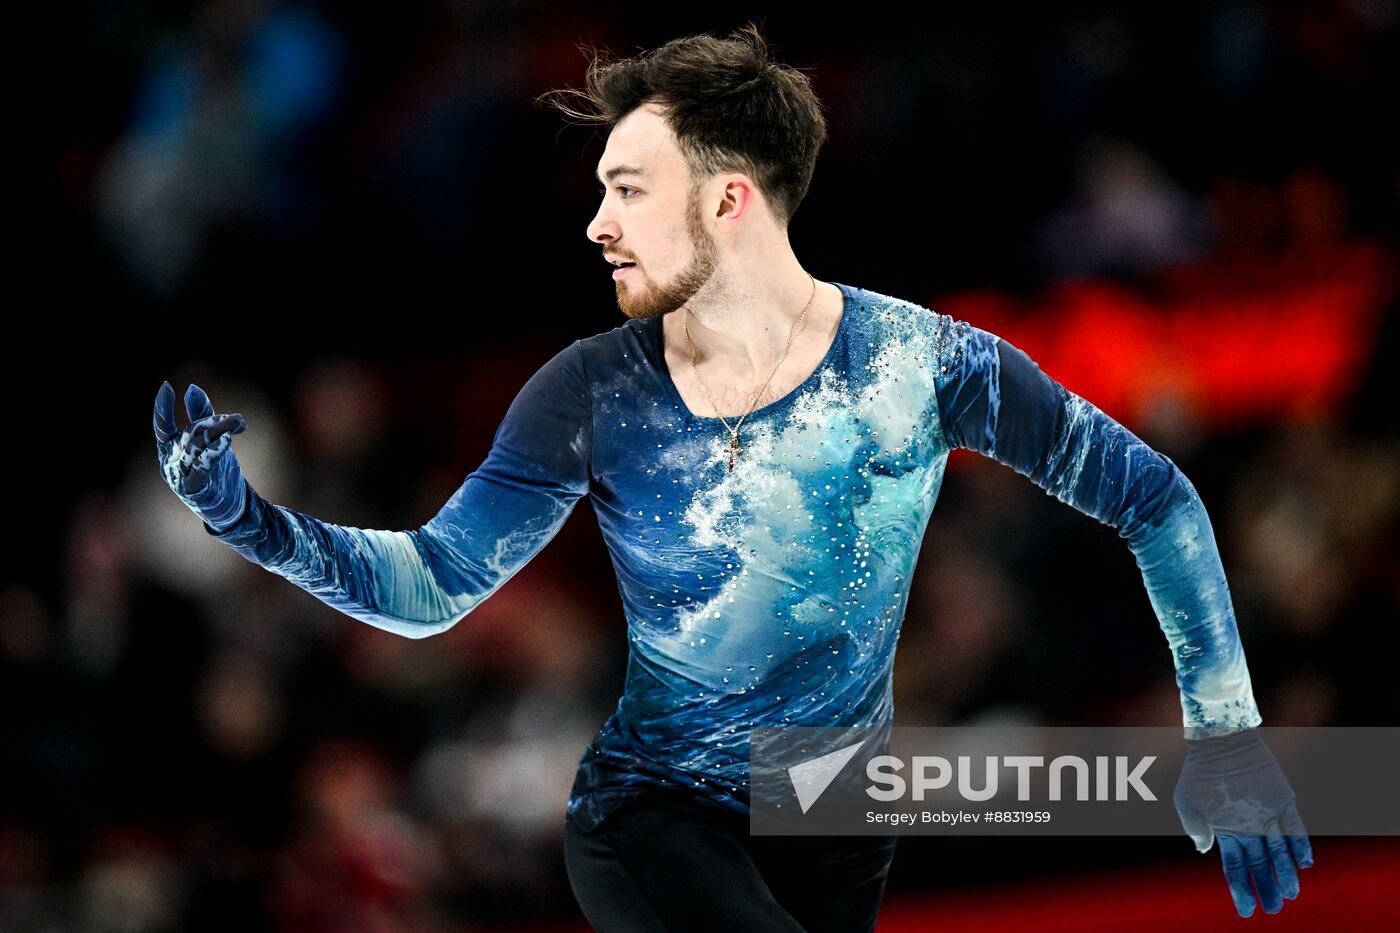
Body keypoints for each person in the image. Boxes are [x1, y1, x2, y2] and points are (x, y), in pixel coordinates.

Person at [154, 22, 1311, 931]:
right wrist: (248, 520)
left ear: (728, 197)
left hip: (836, 826)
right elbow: (436, 587)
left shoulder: (920, 364)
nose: (598, 224)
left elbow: (1152, 495)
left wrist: (1224, 732)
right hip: (653, 816)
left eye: (629, 188)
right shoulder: (588, 391)